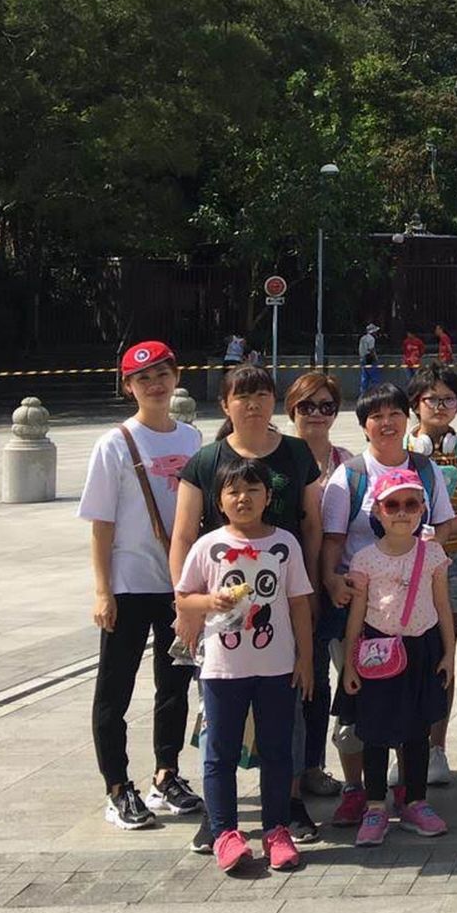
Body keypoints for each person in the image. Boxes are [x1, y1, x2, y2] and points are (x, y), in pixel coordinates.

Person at [170, 362, 326, 847]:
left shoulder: (296, 453)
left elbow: (312, 525)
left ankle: (289, 804)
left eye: (261, 394)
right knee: (218, 717)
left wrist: (311, 592)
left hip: (283, 600)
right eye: (242, 395)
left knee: (288, 709)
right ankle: (220, 819)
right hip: (222, 615)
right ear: (225, 404)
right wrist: (186, 608)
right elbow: (183, 535)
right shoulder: (207, 460)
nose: (253, 404)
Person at [318, 383, 453, 829]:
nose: (387, 423)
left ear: (406, 418)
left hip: (415, 617)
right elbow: (332, 539)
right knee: (362, 709)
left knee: (411, 711)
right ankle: (359, 791)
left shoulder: (426, 470)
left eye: (394, 413)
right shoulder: (350, 476)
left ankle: (408, 793)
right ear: (364, 426)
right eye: (376, 416)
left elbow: (443, 526)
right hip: (363, 614)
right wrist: (332, 581)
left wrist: (424, 552)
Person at [82, 340, 204, 831]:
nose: (155, 385)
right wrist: (102, 590)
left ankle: (166, 774)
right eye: (143, 378)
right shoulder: (114, 443)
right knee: (115, 689)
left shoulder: (192, 439)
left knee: (174, 685)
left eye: (162, 375)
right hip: (129, 584)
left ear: (176, 377)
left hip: (177, 586)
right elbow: (101, 524)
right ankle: (117, 786)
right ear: (128, 386)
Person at [337, 467, 453, 845]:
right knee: (374, 731)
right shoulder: (365, 559)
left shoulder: (432, 553)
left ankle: (416, 800)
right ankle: (375, 805)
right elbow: (356, 615)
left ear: (422, 510)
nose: (402, 512)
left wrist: (450, 654)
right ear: (378, 511)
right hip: (377, 650)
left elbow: (443, 606)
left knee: (418, 730)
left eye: (411, 504)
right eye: (392, 505)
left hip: (421, 648)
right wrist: (350, 662)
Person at [406, 365, 457, 781]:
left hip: (454, 564)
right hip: (402, 565)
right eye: (431, 399)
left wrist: (441, 533)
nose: (440, 407)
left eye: (449, 400)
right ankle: (407, 745)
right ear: (415, 404)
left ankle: (436, 749)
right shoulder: (402, 447)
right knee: (406, 656)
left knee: (442, 652)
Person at [282, 371, 350, 798]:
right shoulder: (279, 456)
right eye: (307, 406)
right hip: (286, 584)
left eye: (326, 406)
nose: (316, 414)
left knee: (324, 677)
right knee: (292, 676)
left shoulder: (346, 461)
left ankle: (313, 765)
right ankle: (285, 769)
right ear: (292, 409)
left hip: (334, 583)